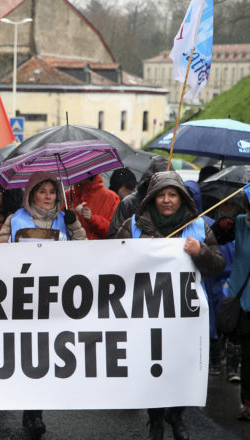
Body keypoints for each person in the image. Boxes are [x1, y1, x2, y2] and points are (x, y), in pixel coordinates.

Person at [116, 171, 225, 440]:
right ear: (152, 198)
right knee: (153, 365)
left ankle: (176, 416)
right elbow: (112, 258)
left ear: (181, 198)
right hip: (146, 310)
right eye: (161, 195)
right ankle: (155, 421)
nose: (166, 200)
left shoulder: (200, 228)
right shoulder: (134, 226)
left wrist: (201, 252)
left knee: (181, 366)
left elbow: (218, 266)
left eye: (172, 194)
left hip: (185, 313)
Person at [0, 171, 86, 440]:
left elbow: (88, 254)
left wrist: (75, 227)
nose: (48, 197)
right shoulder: (15, 220)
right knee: (25, 355)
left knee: (45, 356)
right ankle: (26, 405)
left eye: (52, 191)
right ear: (31, 194)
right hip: (22, 298)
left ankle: (35, 413)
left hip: (55, 300)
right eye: (42, 191)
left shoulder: (66, 220)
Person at [108, 155, 168, 238]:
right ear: (148, 181)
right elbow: (113, 237)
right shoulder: (129, 203)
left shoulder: (177, 205)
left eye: (172, 194)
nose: (166, 199)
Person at [230, 196, 250, 421]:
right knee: (249, 356)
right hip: (245, 301)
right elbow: (219, 234)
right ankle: (248, 403)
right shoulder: (240, 223)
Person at [65, 174, 119, 240]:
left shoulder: (112, 197)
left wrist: (93, 219)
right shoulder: (65, 196)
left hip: (100, 248)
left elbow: (114, 232)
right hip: (69, 248)